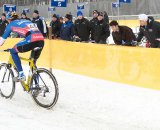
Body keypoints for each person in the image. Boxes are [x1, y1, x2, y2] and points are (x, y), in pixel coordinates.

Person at [0, 12, 44, 81]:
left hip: (32, 39)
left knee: (13, 51)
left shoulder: (10, 24)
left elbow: (1, 41)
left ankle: (21, 74)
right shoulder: (27, 20)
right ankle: (36, 85)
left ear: (9, 20)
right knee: (32, 63)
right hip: (41, 40)